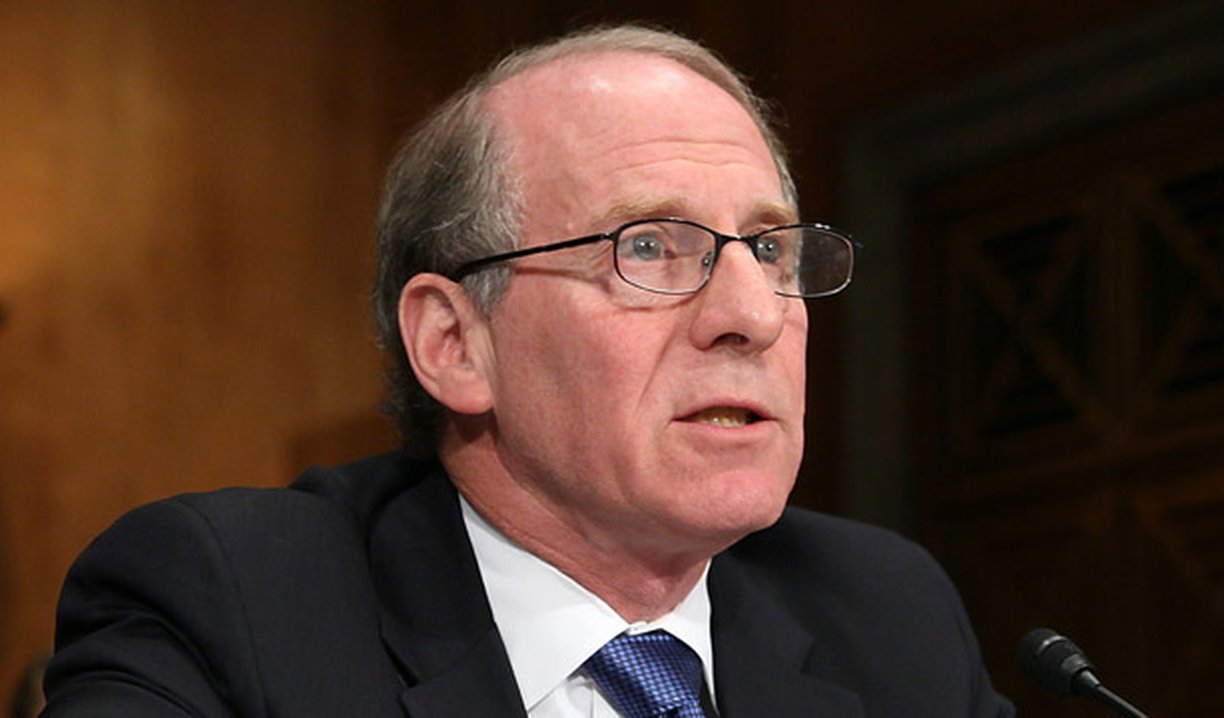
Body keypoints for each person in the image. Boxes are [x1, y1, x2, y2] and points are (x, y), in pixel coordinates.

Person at [42, 24, 1014, 717]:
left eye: (767, 250)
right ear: (456, 343)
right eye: (650, 248)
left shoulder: (887, 614)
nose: (752, 316)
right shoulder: (235, 603)